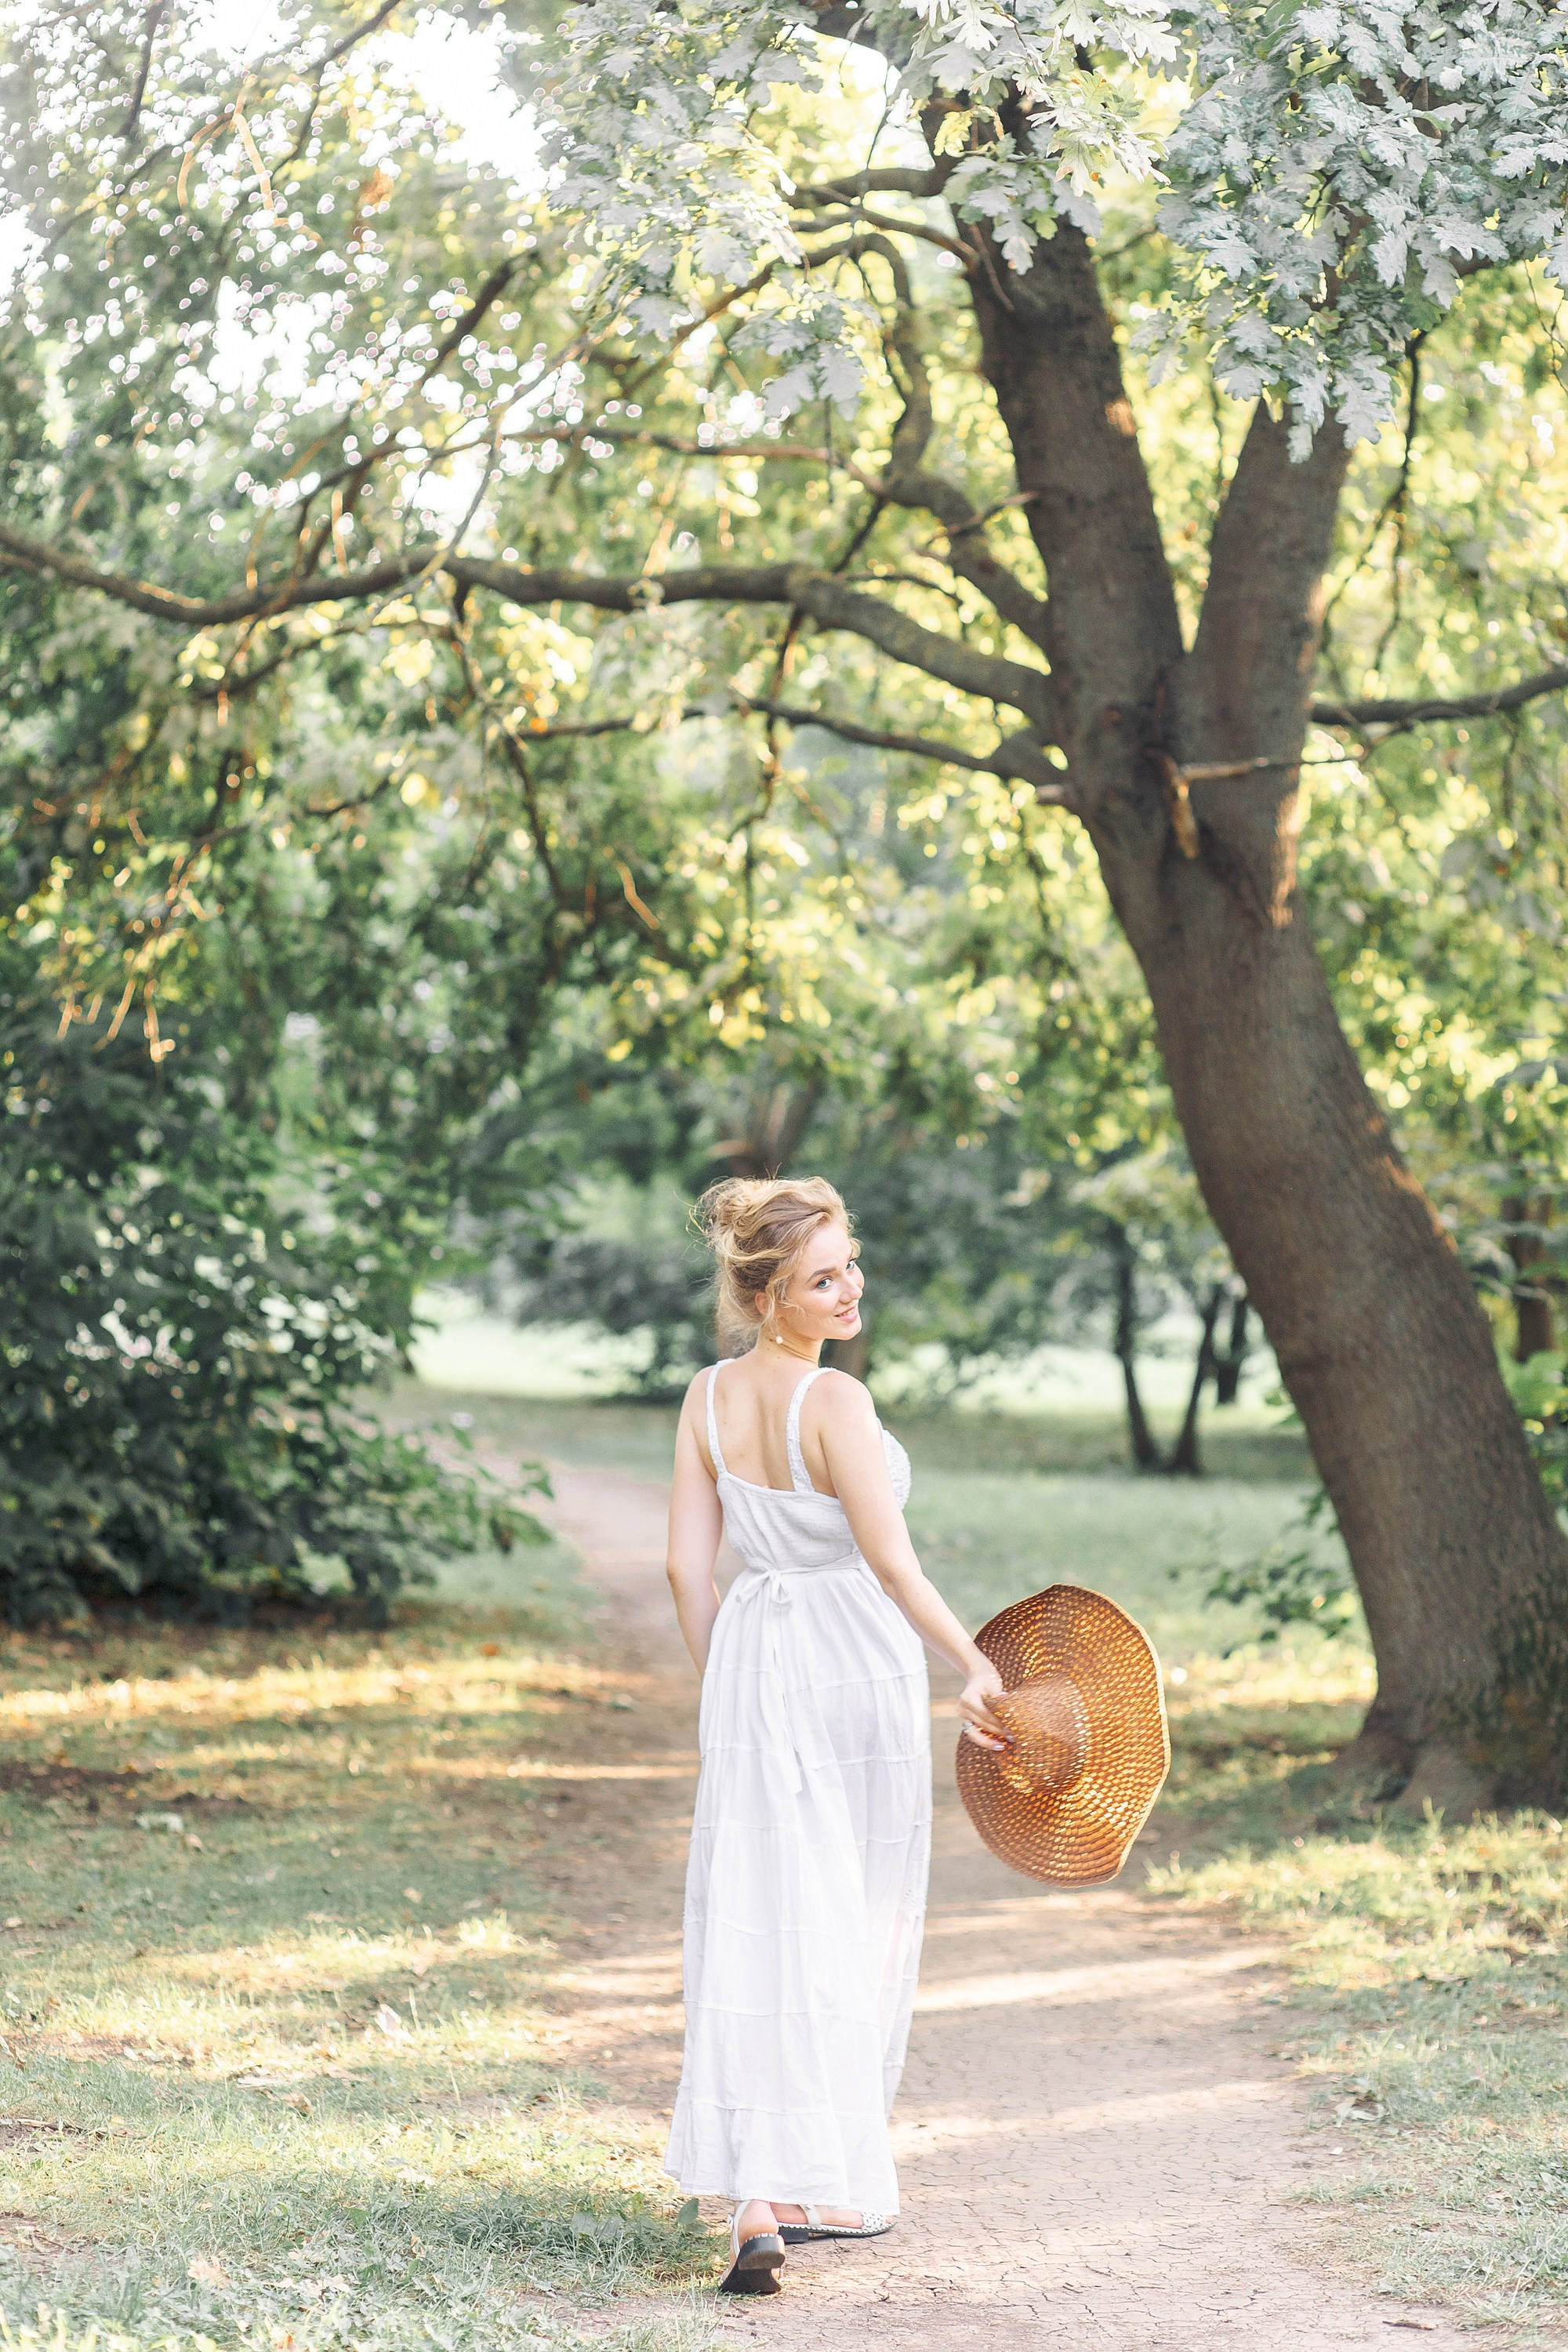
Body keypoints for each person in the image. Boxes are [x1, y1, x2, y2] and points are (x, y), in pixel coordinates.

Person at [662, 1175, 1009, 2296]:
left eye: (850, 1263)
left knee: (760, 1914)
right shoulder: (838, 1408)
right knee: (845, 1915)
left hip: (756, 1657)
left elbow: (684, 1568)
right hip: (852, 1663)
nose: (850, 1288)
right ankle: (809, 2178)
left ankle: (759, 2194)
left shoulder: (706, 1400)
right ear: (769, 1297)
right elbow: (893, 1564)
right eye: (823, 1278)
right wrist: (976, 1665)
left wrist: (733, 1695)